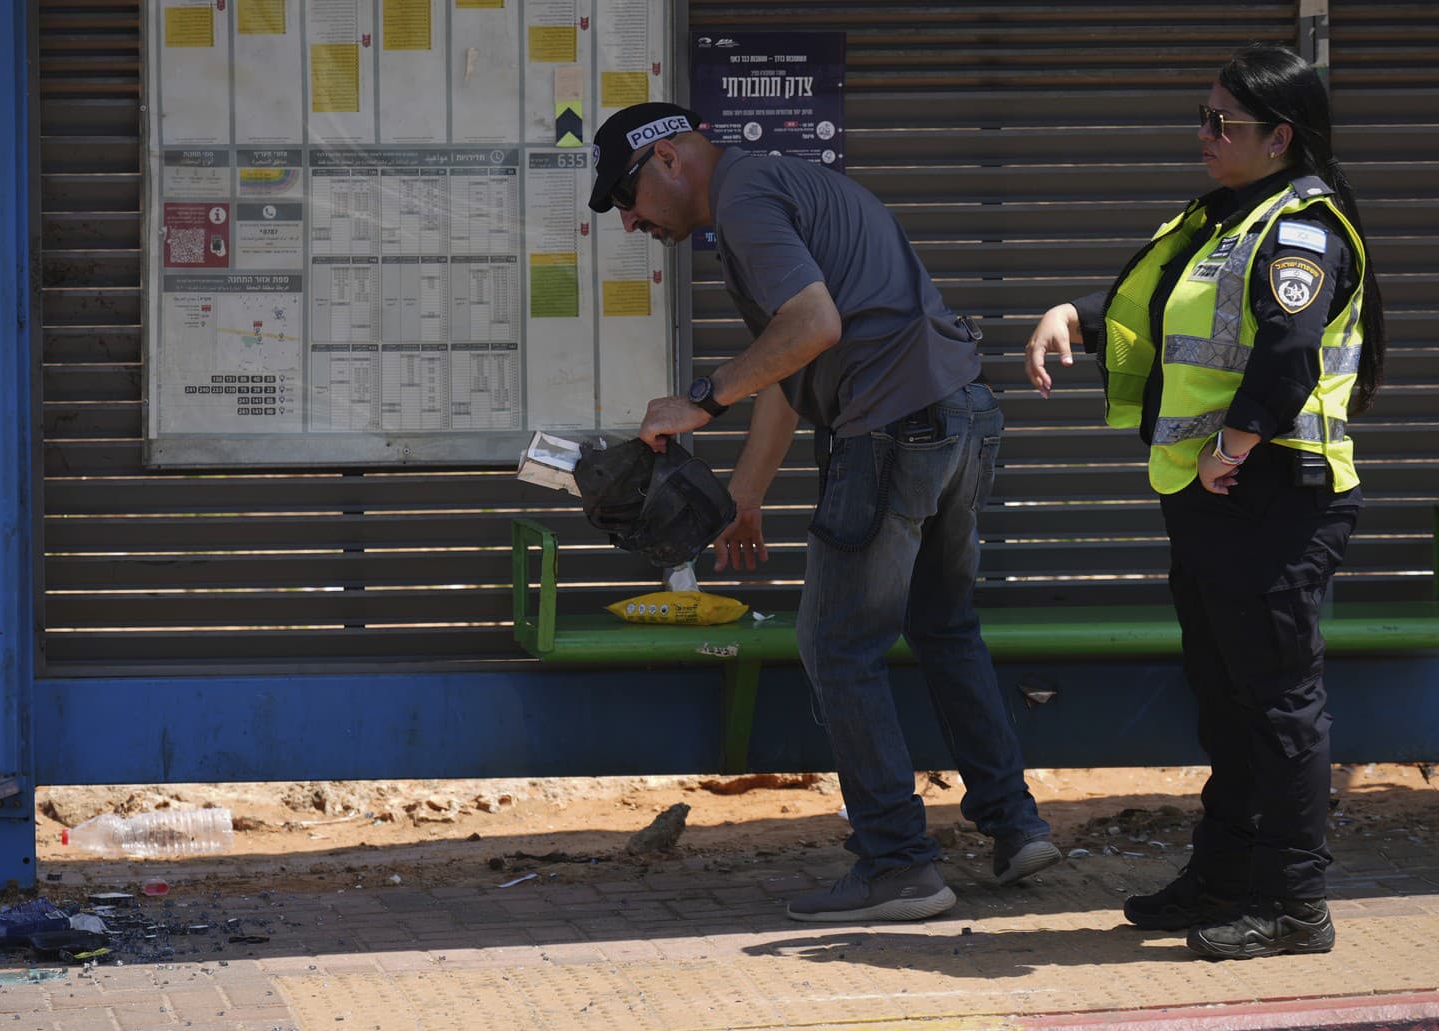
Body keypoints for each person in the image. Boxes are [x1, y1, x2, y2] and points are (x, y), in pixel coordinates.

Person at [587, 102, 1060, 923]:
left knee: (837, 645)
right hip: (957, 412)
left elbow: (812, 324)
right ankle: (1015, 825)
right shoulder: (779, 184)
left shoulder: (744, 200)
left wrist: (701, 398)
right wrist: (745, 496)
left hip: (893, 424)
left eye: (626, 198)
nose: (629, 221)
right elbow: (794, 360)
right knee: (944, 626)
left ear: (666, 158)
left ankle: (899, 864)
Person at [1024, 43, 1385, 960]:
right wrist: (1075, 314)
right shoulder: (1222, 217)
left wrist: (1235, 443)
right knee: (1227, 698)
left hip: (1276, 492)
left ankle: (1294, 903)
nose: (1205, 133)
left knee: (1279, 704)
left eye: (1222, 121)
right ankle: (1224, 877)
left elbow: (1289, 350)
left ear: (1279, 136)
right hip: (1212, 494)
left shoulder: (1301, 228)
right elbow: (1167, 312)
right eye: (1204, 115)